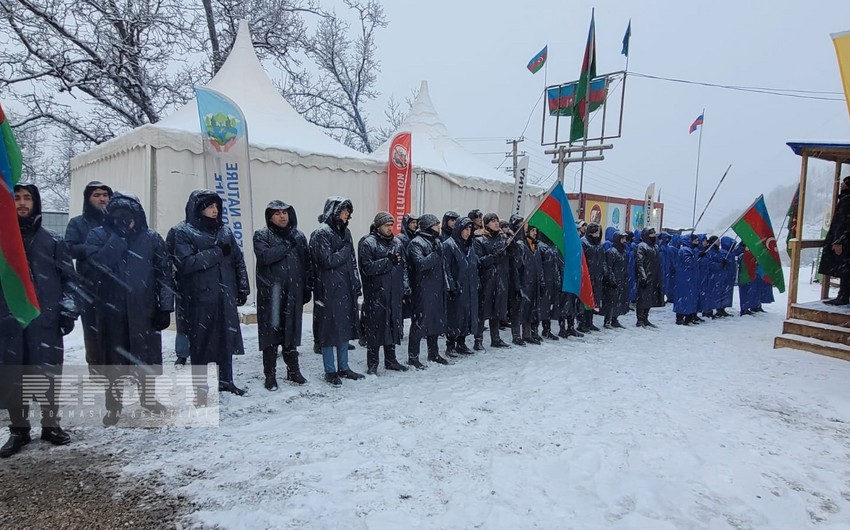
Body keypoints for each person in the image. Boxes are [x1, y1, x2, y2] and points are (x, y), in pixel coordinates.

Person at [1, 184, 78, 458]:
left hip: (45, 322)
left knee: (47, 375)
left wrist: (68, 311)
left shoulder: (53, 241)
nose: (22, 203)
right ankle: (18, 430)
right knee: (13, 375)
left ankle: (50, 424)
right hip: (9, 322)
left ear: (36, 203)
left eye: (27, 198)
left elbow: (70, 280)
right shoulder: (3, 243)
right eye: (17, 198)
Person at [85, 193, 174, 425]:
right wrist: (118, 237)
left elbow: (164, 274)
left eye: (128, 215)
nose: (124, 220)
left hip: (145, 310)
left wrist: (165, 307)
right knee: (113, 362)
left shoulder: (152, 238)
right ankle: (113, 406)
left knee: (147, 359)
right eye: (118, 215)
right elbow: (97, 267)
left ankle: (149, 399)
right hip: (110, 312)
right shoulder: (98, 235)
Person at [172, 190, 249, 399]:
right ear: (198, 209)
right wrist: (216, 252)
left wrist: (242, 287)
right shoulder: (183, 232)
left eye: (216, 206)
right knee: (201, 343)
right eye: (209, 206)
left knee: (226, 339)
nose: (214, 211)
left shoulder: (224, 231)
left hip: (224, 296)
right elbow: (185, 264)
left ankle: (226, 380)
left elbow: (238, 260)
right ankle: (200, 388)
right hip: (198, 298)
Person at [254, 200, 312, 390]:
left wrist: (306, 287)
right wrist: (286, 245)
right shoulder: (262, 235)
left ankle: (293, 371)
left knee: (291, 333)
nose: (282, 216)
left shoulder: (299, 236)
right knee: (271, 336)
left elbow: (306, 264)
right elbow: (265, 257)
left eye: (285, 212)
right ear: (270, 216)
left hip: (293, 293)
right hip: (271, 295)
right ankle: (270, 375)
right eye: (277, 213)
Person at [310, 197, 364, 385]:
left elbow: (352, 261)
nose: (347, 214)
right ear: (334, 211)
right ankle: (330, 370)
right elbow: (326, 260)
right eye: (344, 210)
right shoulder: (320, 233)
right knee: (329, 330)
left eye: (349, 211)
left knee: (344, 328)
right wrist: (345, 251)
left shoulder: (345, 232)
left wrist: (356, 282)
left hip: (345, 287)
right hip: (328, 289)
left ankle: (344, 367)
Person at [64, 181, 112, 370]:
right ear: (88, 198)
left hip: (115, 284)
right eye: (96, 195)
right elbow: (68, 248)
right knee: (92, 328)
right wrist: (92, 250)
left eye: (105, 195)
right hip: (89, 284)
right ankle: (96, 366)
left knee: (115, 328)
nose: (102, 199)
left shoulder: (115, 221)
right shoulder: (77, 223)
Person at [358, 212, 409, 374]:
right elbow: (367, 268)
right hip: (376, 293)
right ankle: (372, 363)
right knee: (376, 329)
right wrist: (387, 262)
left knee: (393, 326)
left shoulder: (397, 243)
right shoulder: (368, 243)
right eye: (386, 225)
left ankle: (391, 359)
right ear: (379, 225)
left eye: (391, 225)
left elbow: (403, 268)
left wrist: (404, 287)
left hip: (394, 293)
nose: (389, 228)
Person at [407, 213, 449, 367]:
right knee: (420, 323)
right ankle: (413, 357)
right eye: (435, 224)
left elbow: (442, 266)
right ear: (428, 226)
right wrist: (435, 254)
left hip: (437, 287)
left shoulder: (436, 241)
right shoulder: (416, 243)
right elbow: (420, 264)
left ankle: (434, 353)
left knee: (435, 321)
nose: (438, 227)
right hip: (422, 289)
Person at [473, 213, 510, 350]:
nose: (496, 223)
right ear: (486, 223)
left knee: (497, 309)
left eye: (497, 221)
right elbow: (479, 261)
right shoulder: (479, 240)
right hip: (486, 279)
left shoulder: (502, 239)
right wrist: (494, 256)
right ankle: (478, 340)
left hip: (500, 278)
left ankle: (496, 338)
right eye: (493, 221)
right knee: (483, 311)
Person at [443, 216, 479, 355]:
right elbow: (446, 267)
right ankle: (450, 344)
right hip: (457, 288)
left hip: (469, 287)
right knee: (454, 317)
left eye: (470, 228)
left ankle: (462, 342)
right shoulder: (449, 245)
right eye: (465, 228)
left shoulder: (470, 245)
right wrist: (451, 287)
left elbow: (474, 265)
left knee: (467, 315)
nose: (468, 231)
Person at [819, 176, 850, 305]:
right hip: (845, 240)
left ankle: (842, 296)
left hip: (845, 242)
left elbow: (842, 223)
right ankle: (843, 295)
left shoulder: (847, 201)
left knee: (845, 271)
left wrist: (838, 241)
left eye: (844, 183)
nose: (841, 185)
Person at [635, 227, 664, 327]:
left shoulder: (655, 247)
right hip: (645, 277)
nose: (654, 236)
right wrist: (642, 276)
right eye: (651, 234)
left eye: (654, 234)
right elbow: (639, 263)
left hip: (654, 276)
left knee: (650, 298)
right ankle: (640, 320)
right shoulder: (642, 246)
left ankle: (645, 318)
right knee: (642, 299)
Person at [580, 222, 605, 332]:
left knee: (592, 300)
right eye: (594, 233)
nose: (596, 235)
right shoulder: (584, 243)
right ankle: (582, 323)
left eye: (598, 233)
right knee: (584, 300)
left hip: (596, 276)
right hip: (586, 275)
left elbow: (601, 260)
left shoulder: (599, 244)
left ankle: (589, 322)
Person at [537, 233, 562, 340]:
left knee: (549, 306)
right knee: (541, 306)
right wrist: (542, 279)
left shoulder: (554, 246)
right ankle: (534, 330)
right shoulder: (540, 246)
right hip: (544, 281)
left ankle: (547, 329)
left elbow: (557, 264)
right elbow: (539, 265)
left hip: (552, 280)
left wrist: (557, 278)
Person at [602, 231, 629, 329]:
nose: (624, 241)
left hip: (621, 280)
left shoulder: (623, 252)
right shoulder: (611, 252)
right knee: (610, 301)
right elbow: (608, 268)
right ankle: (607, 320)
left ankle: (615, 319)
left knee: (618, 300)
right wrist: (611, 280)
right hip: (612, 282)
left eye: (625, 239)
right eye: (622, 239)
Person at [674, 233, 700, 325]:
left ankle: (688, 317)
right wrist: (698, 256)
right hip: (684, 278)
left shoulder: (691, 250)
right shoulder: (685, 250)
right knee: (684, 298)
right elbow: (689, 263)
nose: (697, 242)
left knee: (689, 298)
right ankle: (680, 317)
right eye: (695, 241)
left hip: (689, 278)